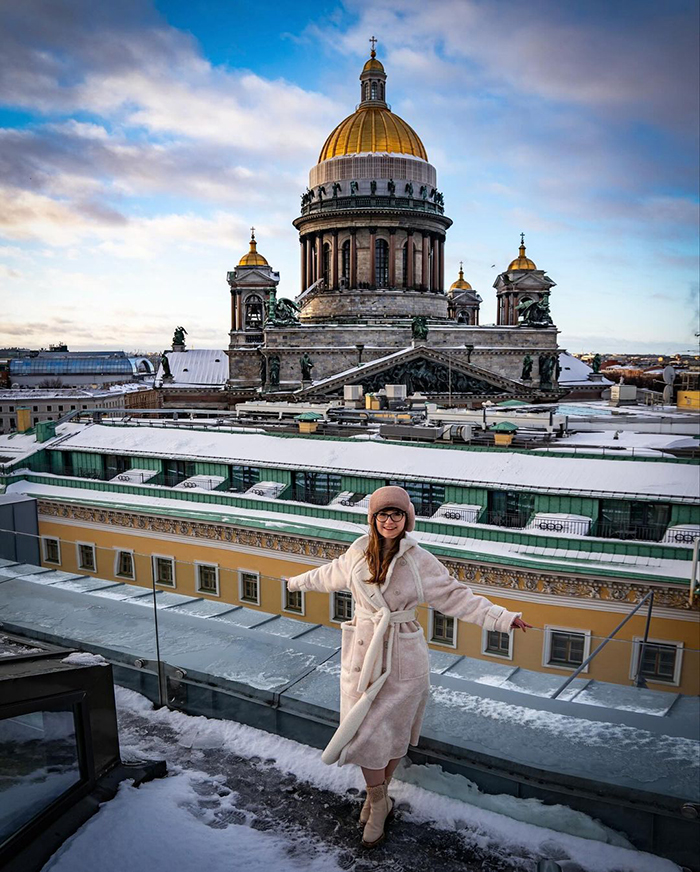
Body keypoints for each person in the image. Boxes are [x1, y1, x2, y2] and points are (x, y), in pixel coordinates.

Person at [286, 485, 531, 849]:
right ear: (373, 519)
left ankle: (377, 799)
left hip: (403, 654)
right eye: (382, 514)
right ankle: (379, 797)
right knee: (364, 734)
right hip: (363, 654)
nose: (389, 520)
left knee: (395, 733)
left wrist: (502, 618)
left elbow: (457, 596)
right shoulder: (357, 552)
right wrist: (294, 583)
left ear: (407, 519)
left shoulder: (420, 560)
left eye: (396, 514)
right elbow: (328, 575)